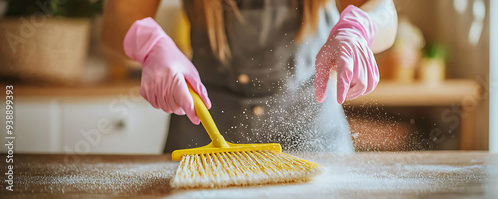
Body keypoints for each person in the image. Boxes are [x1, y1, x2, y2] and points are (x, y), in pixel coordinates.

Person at [105, 0, 397, 153]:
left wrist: (360, 28)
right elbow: (117, 20)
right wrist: (149, 44)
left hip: (312, 137)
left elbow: (384, 9)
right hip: (204, 137)